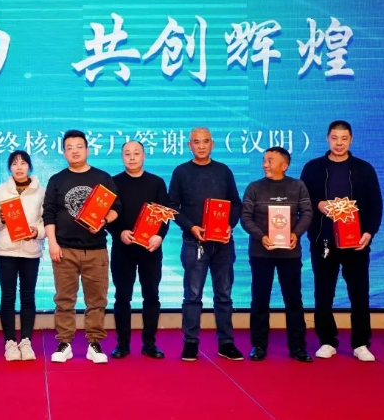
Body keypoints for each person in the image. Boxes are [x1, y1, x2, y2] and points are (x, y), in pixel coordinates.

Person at [300, 120, 383, 362]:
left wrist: (369, 233)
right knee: (323, 293)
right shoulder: (313, 168)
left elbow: (376, 205)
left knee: (359, 293)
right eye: (335, 138)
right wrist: (318, 203)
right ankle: (327, 341)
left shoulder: (364, 169)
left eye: (344, 138)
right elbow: (302, 200)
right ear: (327, 138)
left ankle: (361, 343)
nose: (339, 143)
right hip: (323, 240)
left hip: (356, 243)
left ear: (351, 139)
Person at [44, 129, 121, 364]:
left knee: (97, 300)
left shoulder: (103, 177)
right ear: (64, 152)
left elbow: (116, 208)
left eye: (79, 147)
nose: (75, 151)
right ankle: (64, 343)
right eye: (70, 148)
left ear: (87, 150)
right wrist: (52, 244)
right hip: (64, 250)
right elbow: (49, 214)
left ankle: (94, 343)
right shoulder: (57, 180)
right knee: (64, 300)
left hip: (96, 250)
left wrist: (104, 220)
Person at [168, 127, 244, 362]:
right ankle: (190, 343)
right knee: (192, 295)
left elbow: (236, 203)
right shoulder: (181, 172)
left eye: (205, 141)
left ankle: (226, 343)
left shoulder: (223, 171)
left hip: (223, 243)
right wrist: (191, 227)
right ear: (189, 145)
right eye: (196, 142)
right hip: (194, 242)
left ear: (212, 144)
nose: (201, 146)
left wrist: (230, 225)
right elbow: (172, 207)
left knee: (224, 295)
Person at [241, 146, 313, 363]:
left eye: (270, 161)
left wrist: (295, 234)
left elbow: (307, 213)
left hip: (290, 253)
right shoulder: (254, 187)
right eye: (264, 160)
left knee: (294, 300)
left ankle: (298, 347)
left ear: (285, 165)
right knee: (260, 299)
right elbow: (246, 217)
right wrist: (261, 236)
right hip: (261, 252)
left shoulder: (297, 186)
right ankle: (258, 346)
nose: (265, 164)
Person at [107, 141, 169, 360]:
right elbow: (107, 216)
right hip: (122, 248)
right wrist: (119, 233)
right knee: (122, 296)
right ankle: (122, 344)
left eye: (136, 153)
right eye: (127, 154)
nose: (132, 157)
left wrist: (159, 236)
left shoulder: (157, 182)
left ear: (144, 156)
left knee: (151, 295)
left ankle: (149, 344)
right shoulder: (113, 182)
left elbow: (164, 215)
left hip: (150, 249)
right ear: (121, 157)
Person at [0, 150, 45, 361]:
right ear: (9, 168)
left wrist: (37, 232)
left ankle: (26, 341)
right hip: (6, 250)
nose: (19, 167)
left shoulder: (41, 191)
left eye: (23, 163)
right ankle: (10, 342)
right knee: (8, 296)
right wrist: (1, 219)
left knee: (28, 296)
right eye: (14, 164)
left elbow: (47, 221)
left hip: (31, 250)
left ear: (29, 166)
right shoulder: (0, 190)